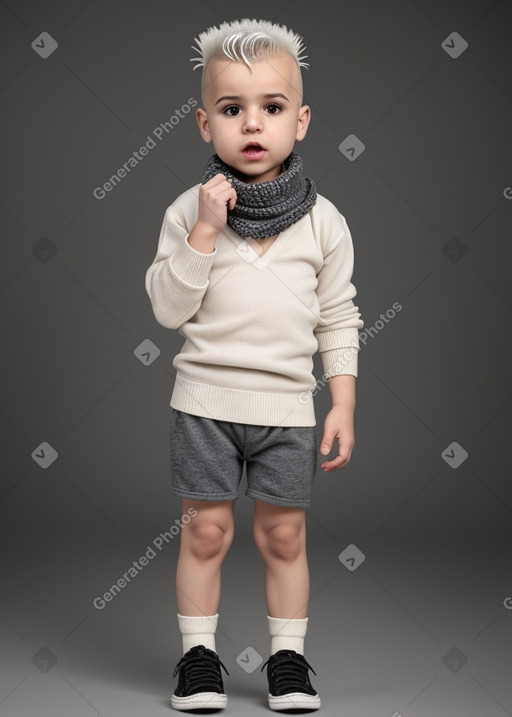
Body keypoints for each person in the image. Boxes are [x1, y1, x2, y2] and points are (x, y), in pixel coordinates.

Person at [145, 17, 364, 712]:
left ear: (300, 121)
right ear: (204, 123)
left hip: (287, 413)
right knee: (205, 530)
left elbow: (339, 315)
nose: (252, 124)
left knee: (284, 533)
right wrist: (206, 233)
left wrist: (344, 402)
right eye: (232, 109)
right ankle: (198, 659)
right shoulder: (188, 210)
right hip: (206, 404)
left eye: (271, 107)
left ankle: (288, 660)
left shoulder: (324, 220)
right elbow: (167, 308)